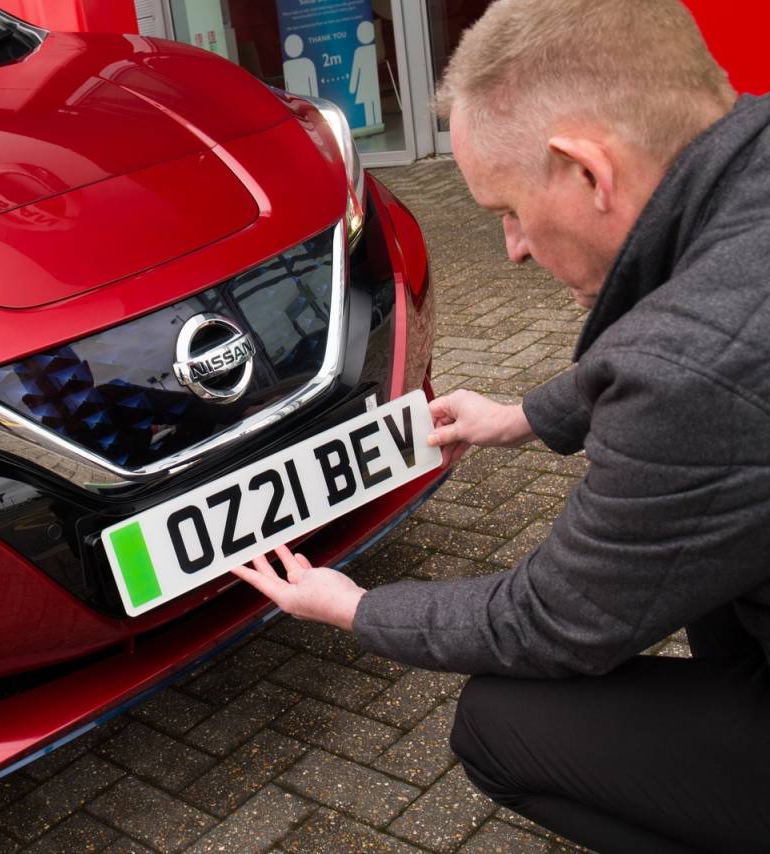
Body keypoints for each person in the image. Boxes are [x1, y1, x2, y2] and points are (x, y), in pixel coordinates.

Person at [232, 1, 770, 851]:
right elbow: (705, 343)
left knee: (496, 722)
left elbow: (553, 621)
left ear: (588, 173)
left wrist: (355, 607)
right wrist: (522, 417)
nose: (513, 248)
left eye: (506, 212)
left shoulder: (693, 369)